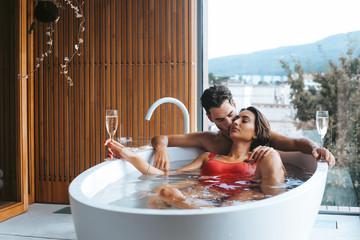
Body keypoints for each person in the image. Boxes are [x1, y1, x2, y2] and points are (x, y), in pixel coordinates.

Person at [105, 106, 285, 209]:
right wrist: (131, 157)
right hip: (202, 199)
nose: (235, 122)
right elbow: (167, 174)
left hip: (233, 207)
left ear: (255, 134)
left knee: (166, 192)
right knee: (159, 192)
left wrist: (245, 195)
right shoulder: (209, 157)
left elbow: (274, 195)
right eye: (236, 118)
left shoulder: (262, 158)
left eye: (243, 120)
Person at [151, 85, 336, 171]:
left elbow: (295, 142)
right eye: (221, 120)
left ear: (234, 103)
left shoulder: (254, 133)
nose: (231, 123)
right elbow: (162, 138)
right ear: (209, 118)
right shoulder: (208, 140)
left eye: (232, 114)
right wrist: (161, 147)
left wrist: (316, 149)